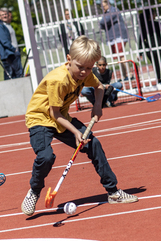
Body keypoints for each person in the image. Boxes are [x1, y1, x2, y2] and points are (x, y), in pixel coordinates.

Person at [21, 36, 138, 216]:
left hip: (61, 117)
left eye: (89, 68)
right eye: (80, 67)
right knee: (46, 157)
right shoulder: (58, 80)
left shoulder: (86, 74)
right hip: (40, 119)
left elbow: (99, 87)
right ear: (69, 59)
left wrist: (97, 106)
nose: (84, 72)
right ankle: (34, 191)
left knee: (94, 144)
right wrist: (76, 132)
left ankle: (113, 192)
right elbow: (54, 114)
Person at [99, 0, 130, 80]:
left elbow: (105, 21)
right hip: (113, 37)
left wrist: (103, 22)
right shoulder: (106, 13)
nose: (103, 8)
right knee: (119, 56)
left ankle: (129, 74)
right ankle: (124, 75)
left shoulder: (113, 10)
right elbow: (102, 24)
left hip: (119, 36)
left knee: (121, 55)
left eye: (104, 6)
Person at [138, 8, 161, 84]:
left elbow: (141, 40)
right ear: (150, 15)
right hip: (160, 47)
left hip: (151, 49)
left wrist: (140, 52)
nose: (155, 15)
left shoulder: (144, 26)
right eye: (154, 13)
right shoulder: (157, 24)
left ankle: (159, 80)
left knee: (156, 65)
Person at [0, 8, 23, 79]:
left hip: (14, 53)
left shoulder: (8, 25)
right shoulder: (0, 27)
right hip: (9, 54)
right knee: (11, 75)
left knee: (18, 74)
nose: (4, 16)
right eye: (2, 15)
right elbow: (4, 41)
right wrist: (14, 50)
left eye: (5, 14)